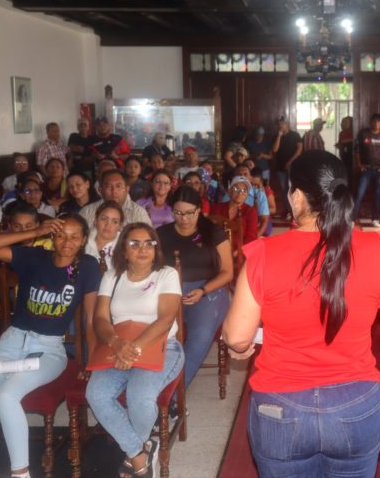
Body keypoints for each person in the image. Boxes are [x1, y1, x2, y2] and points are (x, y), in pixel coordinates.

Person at [222, 150, 380, 477]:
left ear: (298, 196)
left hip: (281, 405)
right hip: (356, 403)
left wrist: (239, 347)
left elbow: (236, 336)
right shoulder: (379, 249)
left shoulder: (264, 253)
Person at [0, 214, 100, 478]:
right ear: (52, 235)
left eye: (76, 236)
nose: (68, 241)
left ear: (84, 240)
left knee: (6, 396)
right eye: (62, 234)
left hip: (49, 349)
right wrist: (35, 231)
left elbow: (90, 319)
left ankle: (21, 474)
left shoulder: (88, 266)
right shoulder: (35, 257)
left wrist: (91, 361)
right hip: (11, 341)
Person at [85, 222, 183, 478]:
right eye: (134, 243)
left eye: (149, 243)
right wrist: (118, 344)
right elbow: (101, 320)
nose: (143, 248)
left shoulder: (166, 274)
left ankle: (135, 454)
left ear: (156, 248)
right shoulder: (112, 276)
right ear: (123, 250)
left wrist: (133, 349)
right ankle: (140, 452)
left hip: (162, 346)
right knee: (96, 394)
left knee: (139, 397)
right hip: (118, 346)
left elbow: (166, 319)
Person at [157, 187, 233, 391]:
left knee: (200, 336)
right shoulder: (162, 234)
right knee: (157, 332)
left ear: (199, 210)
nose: (185, 219)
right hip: (171, 292)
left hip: (209, 290)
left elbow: (227, 272)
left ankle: (173, 396)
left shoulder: (212, 232)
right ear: (171, 211)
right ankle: (152, 387)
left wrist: (204, 290)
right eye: (179, 213)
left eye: (190, 213)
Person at [0, 201, 49, 358]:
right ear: (10, 226)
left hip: (37, 310)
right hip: (5, 308)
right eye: (18, 226)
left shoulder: (46, 247)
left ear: (38, 226)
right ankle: (4, 363)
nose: (24, 231)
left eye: (29, 226)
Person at [80, 170, 152, 229]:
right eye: (108, 186)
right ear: (100, 190)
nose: (114, 191)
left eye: (118, 186)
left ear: (127, 189)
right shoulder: (87, 212)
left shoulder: (139, 214)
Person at [353, 113, 380, 225]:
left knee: (377, 194)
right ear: (371, 122)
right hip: (366, 169)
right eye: (374, 121)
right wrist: (359, 165)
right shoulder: (363, 134)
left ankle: (375, 218)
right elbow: (357, 150)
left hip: (379, 170)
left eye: (379, 122)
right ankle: (352, 219)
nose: (376, 124)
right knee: (360, 193)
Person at [210, 176, 259, 245]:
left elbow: (251, 237)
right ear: (229, 191)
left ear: (247, 194)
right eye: (236, 189)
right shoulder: (217, 208)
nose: (240, 192)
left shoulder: (250, 212)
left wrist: (238, 251)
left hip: (239, 252)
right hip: (217, 249)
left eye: (244, 190)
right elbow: (209, 231)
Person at [272, 117, 302, 216]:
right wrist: (279, 136)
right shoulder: (277, 136)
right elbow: (275, 150)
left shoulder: (295, 135)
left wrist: (290, 161)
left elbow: (299, 149)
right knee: (284, 189)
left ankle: (295, 211)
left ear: (287, 124)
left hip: (292, 167)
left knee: (292, 188)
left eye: (282, 124)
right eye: (279, 124)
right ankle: (287, 211)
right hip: (280, 168)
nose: (280, 126)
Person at [84, 200, 124, 271]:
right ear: (95, 220)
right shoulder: (83, 240)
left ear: (120, 226)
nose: (108, 225)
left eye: (115, 222)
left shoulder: (124, 244)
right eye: (104, 219)